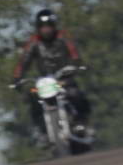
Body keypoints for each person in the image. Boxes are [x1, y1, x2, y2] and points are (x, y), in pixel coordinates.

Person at [11, 8, 91, 144]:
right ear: (38, 28)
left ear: (54, 26)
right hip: (45, 83)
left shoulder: (63, 37)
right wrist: (17, 78)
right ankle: (42, 131)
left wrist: (76, 65)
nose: (46, 30)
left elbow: (74, 54)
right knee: (33, 96)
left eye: (48, 26)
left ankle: (80, 122)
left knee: (75, 93)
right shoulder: (34, 42)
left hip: (64, 80)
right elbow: (24, 61)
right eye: (43, 27)